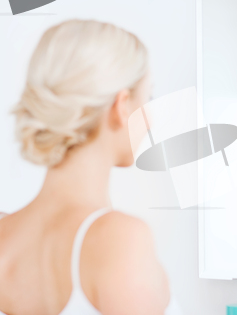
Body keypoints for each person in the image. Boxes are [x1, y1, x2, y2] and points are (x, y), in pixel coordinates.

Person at [0, 19, 171, 314]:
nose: (151, 119)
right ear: (122, 105)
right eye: (148, 97)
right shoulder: (120, 238)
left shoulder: (5, 233)